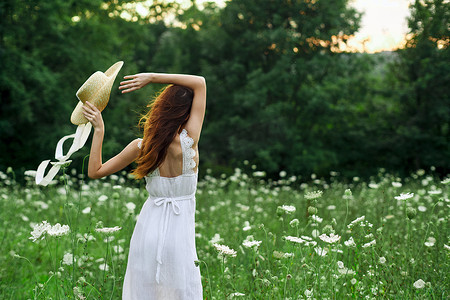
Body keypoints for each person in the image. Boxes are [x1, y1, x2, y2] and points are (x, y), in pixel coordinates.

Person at [81, 72, 206, 299]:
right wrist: (151, 77)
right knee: (181, 290)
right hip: (179, 236)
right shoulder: (190, 140)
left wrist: (99, 130)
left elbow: (95, 172)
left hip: (147, 230)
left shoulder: (142, 146)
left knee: (144, 291)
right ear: (187, 113)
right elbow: (200, 82)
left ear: (161, 109)